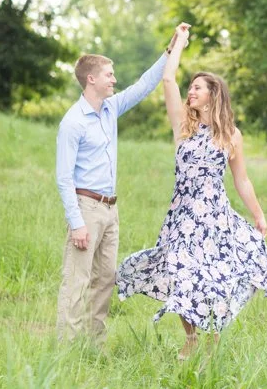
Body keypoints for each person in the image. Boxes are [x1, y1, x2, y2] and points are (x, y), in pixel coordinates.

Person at [116, 24, 267, 359]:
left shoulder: (231, 135)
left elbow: (242, 181)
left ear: (213, 95)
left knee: (213, 275)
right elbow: (168, 80)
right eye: (190, 87)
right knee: (181, 272)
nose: (191, 92)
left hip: (215, 216)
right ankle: (191, 337)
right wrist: (180, 42)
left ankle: (213, 334)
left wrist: (259, 216)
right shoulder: (183, 127)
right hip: (182, 214)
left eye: (198, 88)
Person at [55, 27, 182, 342]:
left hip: (110, 209)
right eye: (109, 75)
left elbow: (144, 85)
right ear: (91, 79)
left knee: (104, 280)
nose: (114, 80)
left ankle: (94, 345)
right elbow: (64, 177)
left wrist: (169, 52)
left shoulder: (110, 109)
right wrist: (76, 223)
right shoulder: (73, 122)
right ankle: (66, 350)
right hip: (86, 209)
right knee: (77, 281)